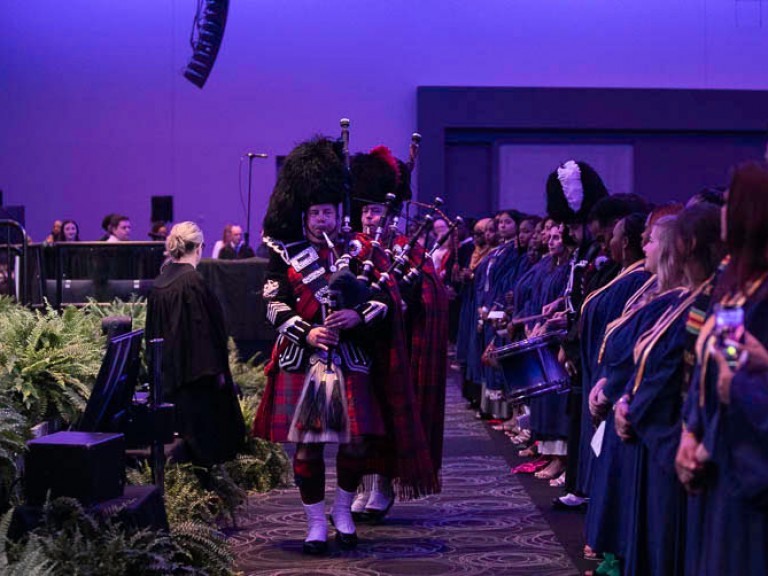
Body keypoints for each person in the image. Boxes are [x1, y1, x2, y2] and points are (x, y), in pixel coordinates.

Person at [252, 137, 436, 555]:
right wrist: (307, 331)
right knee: (310, 445)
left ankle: (342, 510)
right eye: (315, 212)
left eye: (328, 212)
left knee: (356, 442)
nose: (322, 219)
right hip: (306, 358)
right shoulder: (284, 253)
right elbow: (271, 304)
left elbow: (389, 298)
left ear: (339, 212)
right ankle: (315, 521)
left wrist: (358, 316)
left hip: (351, 357)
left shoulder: (361, 250)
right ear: (305, 213)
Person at [678, 162, 768, 575]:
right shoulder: (734, 285)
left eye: (732, 203)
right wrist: (691, 432)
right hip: (720, 456)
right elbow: (719, 362)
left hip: (750, 470)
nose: (724, 212)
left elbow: (742, 374)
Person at [145, 221, 245, 468]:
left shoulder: (160, 282)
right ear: (199, 247)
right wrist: (218, 373)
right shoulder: (192, 282)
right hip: (196, 379)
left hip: (169, 378)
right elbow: (205, 335)